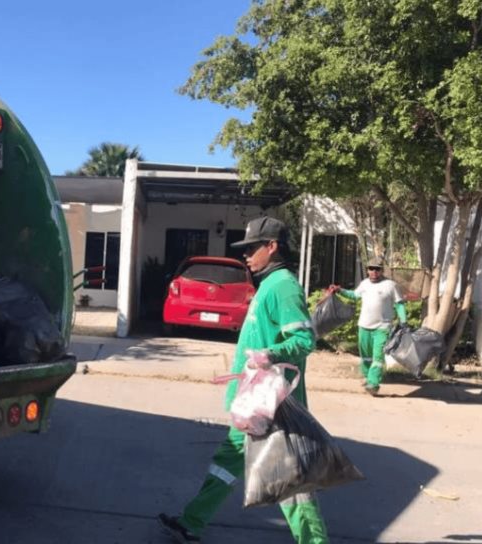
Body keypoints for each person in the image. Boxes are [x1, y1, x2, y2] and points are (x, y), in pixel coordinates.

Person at [158, 216, 329, 544]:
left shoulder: (283, 286)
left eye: (252, 248)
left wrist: (270, 354)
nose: (246, 255)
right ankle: (191, 522)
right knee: (226, 463)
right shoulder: (268, 285)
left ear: (272, 246)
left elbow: (305, 341)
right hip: (253, 403)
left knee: (289, 482)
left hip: (273, 406)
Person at [327, 260, 407, 396]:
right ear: (367, 270)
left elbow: (399, 304)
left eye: (377, 269)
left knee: (378, 356)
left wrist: (403, 320)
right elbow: (354, 295)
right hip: (364, 325)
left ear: (382, 270)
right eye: (371, 268)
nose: (374, 272)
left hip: (382, 327)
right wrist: (339, 290)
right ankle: (367, 377)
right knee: (366, 356)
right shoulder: (364, 284)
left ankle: (373, 383)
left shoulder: (390, 285)